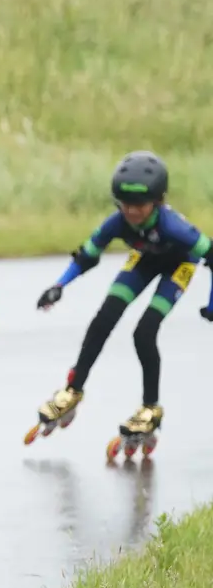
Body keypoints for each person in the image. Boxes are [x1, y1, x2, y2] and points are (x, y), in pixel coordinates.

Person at [28, 150, 213, 449]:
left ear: (158, 201)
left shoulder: (173, 227)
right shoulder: (117, 222)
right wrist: (59, 285)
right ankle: (72, 391)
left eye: (139, 204)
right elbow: (87, 255)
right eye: (125, 204)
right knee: (103, 320)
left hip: (178, 266)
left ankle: (150, 408)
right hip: (144, 259)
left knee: (144, 332)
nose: (131, 211)